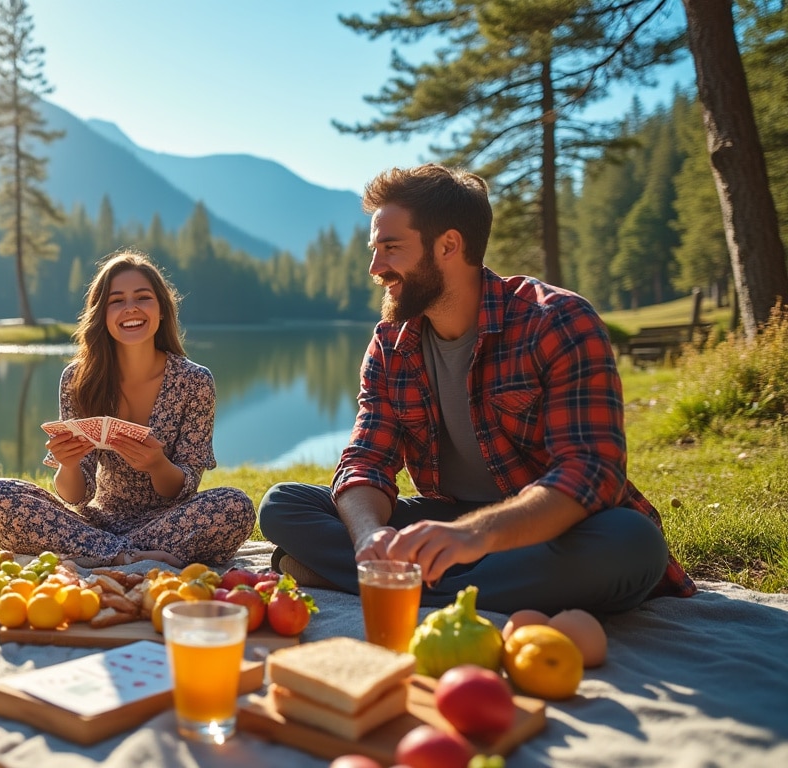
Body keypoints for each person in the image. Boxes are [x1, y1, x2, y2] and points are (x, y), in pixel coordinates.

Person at [259, 164, 695, 615]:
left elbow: (590, 474)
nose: (375, 267)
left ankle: (384, 581)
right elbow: (366, 460)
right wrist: (370, 536)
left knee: (633, 543)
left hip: (549, 528)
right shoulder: (390, 342)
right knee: (284, 504)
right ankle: (433, 580)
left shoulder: (557, 320)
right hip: (452, 520)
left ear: (448, 245)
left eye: (391, 248)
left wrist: (475, 536)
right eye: (375, 249)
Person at [0, 250, 255, 568]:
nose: (131, 308)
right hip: (93, 523)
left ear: (161, 309)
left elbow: (183, 487)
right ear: (102, 314)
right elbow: (76, 495)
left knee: (235, 506)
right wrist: (68, 465)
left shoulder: (195, 381)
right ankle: (130, 555)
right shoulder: (78, 379)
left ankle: (101, 554)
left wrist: (158, 464)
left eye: (143, 297)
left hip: (170, 522)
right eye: (116, 300)